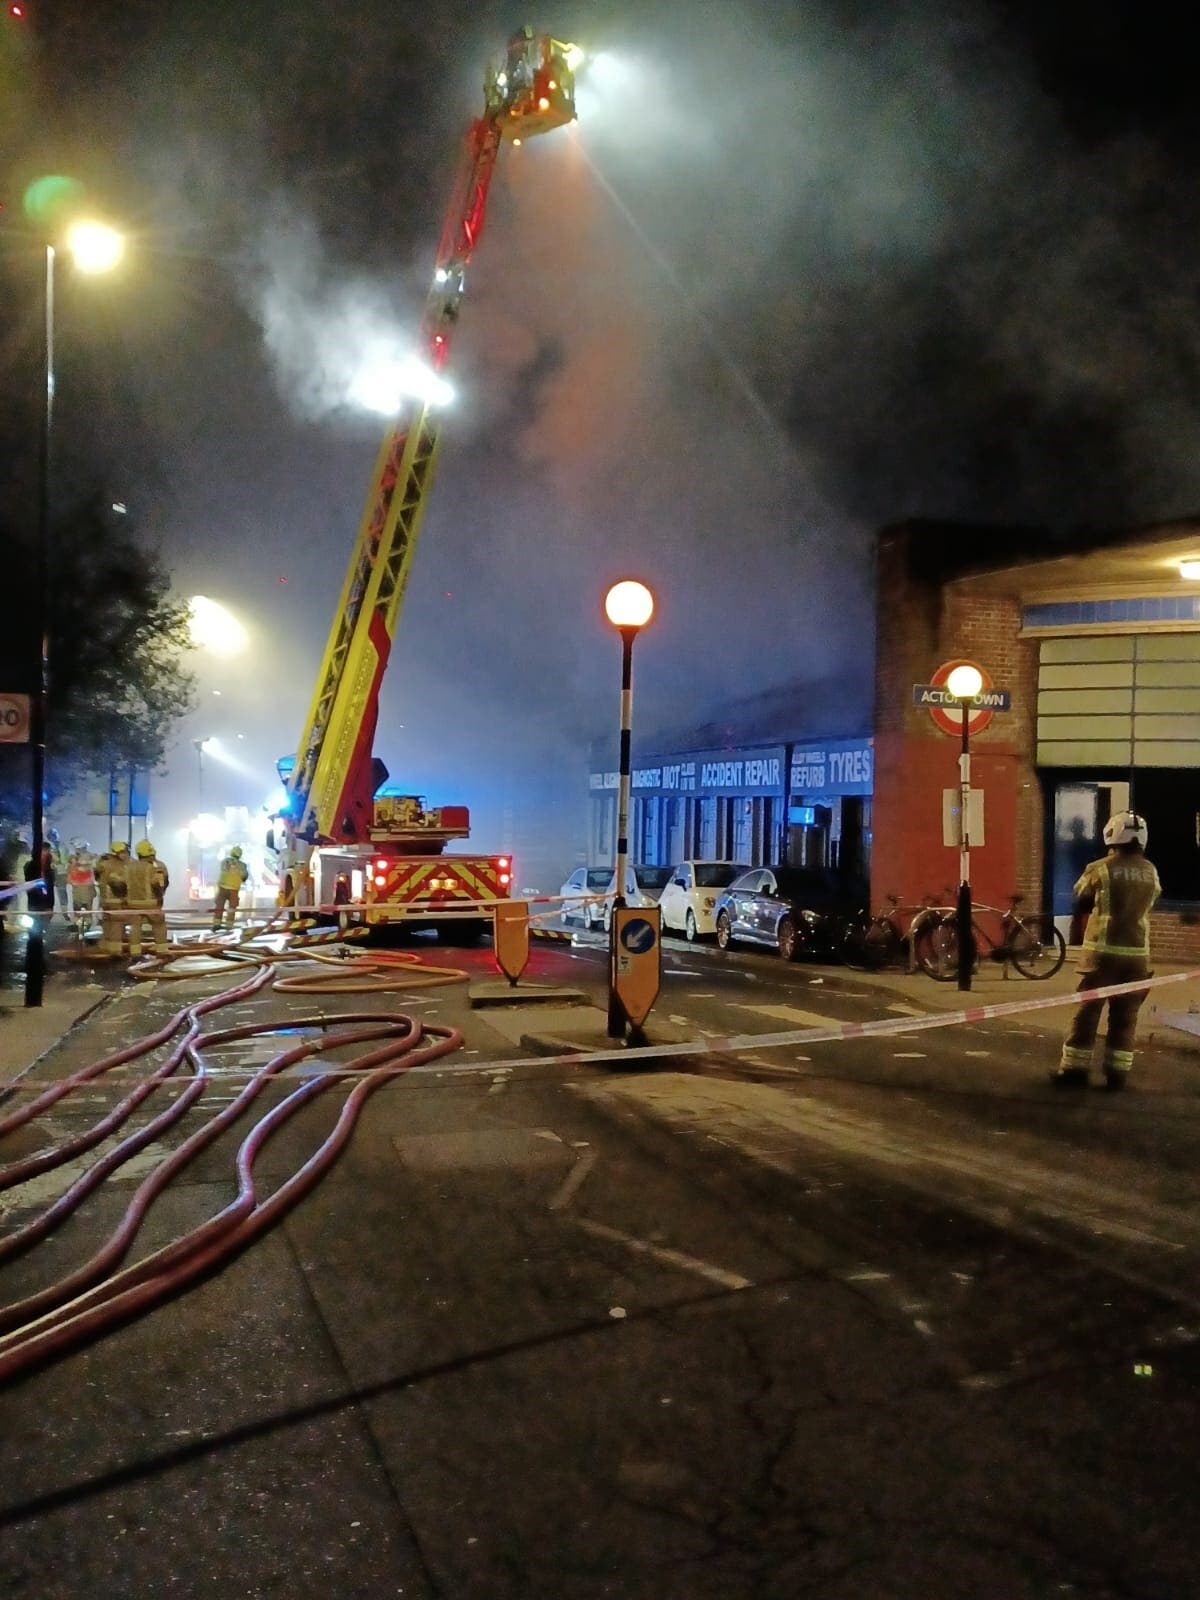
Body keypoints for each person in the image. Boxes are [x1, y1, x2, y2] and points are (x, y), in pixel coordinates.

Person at [1054, 810, 1161, 1091]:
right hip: (1137, 956)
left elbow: (1081, 898)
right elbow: (1152, 901)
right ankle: (1117, 1074)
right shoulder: (1150, 871)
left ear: (1112, 835)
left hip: (1102, 955)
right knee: (1126, 1016)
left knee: (1088, 1012)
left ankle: (1075, 1071)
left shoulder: (1099, 868)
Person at [126, 839, 169, 954]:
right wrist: (160, 896)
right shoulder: (156, 866)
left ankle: (134, 953)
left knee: (135, 927)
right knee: (159, 925)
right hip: (151, 903)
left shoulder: (130, 866)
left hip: (133, 903)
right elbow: (159, 884)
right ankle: (162, 952)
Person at [95, 839, 131, 955]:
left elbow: (97, 875)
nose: (124, 854)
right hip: (117, 899)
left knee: (108, 923)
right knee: (116, 923)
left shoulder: (103, 862)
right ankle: (115, 950)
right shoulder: (122, 864)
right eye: (123, 852)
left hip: (106, 899)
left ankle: (105, 945)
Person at [213, 844, 250, 932]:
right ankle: (229, 926)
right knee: (231, 908)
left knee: (219, 907)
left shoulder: (224, 861)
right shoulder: (242, 865)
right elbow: (244, 877)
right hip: (233, 889)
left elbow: (223, 870)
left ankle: (216, 925)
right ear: (240, 855)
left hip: (222, 888)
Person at [67, 839, 98, 931]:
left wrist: (78, 864)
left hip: (86, 885)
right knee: (77, 904)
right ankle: (78, 922)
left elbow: (85, 868)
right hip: (76, 885)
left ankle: (87, 922)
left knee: (86, 904)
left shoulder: (89, 857)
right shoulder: (74, 857)